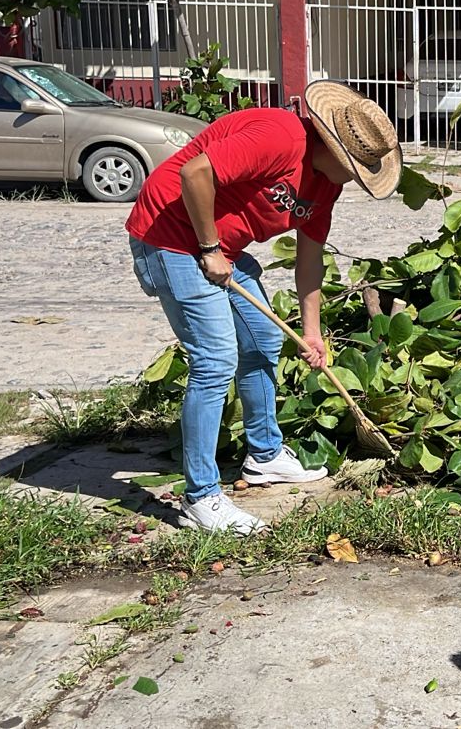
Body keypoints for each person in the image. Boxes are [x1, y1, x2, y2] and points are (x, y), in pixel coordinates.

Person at [125, 82, 402, 534]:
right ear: (331, 144)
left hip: (223, 248)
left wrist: (312, 332)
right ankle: (201, 498)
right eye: (353, 166)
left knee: (262, 338)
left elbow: (310, 260)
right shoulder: (279, 137)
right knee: (216, 360)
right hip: (172, 236)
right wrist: (210, 247)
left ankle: (265, 455)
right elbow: (194, 173)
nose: (354, 176)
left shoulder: (325, 186)